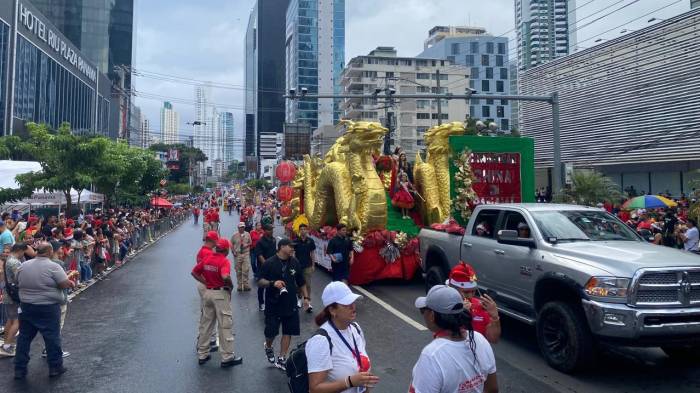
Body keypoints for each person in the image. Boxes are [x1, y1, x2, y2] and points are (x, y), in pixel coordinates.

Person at [410, 285, 498, 393]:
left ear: (432, 315)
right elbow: (492, 389)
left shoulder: (432, 356)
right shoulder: (479, 339)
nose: (423, 314)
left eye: (423, 311)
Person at [14, 242, 76, 379]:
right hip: (48, 307)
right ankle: (55, 367)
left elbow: (17, 281)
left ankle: (19, 369)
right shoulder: (53, 266)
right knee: (52, 337)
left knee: (24, 338)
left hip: (27, 306)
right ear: (49, 252)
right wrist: (70, 282)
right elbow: (63, 283)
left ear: (37, 251)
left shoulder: (23, 266)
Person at [306, 281, 378, 393]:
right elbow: (315, 388)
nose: (353, 307)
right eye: (346, 304)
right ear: (332, 310)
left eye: (353, 301)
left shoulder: (356, 329)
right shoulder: (321, 340)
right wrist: (350, 382)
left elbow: (361, 375)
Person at [191, 238, 243, 368]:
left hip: (208, 293)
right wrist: (230, 286)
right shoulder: (224, 261)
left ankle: (202, 354)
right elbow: (225, 276)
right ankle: (227, 357)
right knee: (225, 325)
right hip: (220, 294)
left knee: (206, 324)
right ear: (226, 250)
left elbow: (194, 272)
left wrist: (205, 282)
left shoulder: (207, 258)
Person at [258, 238, 309, 370]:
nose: (293, 249)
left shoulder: (295, 262)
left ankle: (282, 358)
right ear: (281, 247)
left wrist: (306, 297)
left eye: (293, 247)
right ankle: (268, 346)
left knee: (288, 331)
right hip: (273, 304)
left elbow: (301, 281)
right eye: (290, 246)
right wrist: (272, 283)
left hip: (290, 303)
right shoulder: (269, 263)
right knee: (271, 332)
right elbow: (260, 281)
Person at [446, 262, 501, 344]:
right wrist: (460, 316)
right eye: (466, 292)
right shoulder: (444, 306)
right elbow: (444, 339)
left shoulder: (480, 306)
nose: (470, 296)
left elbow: (493, 339)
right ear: (453, 289)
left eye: (473, 291)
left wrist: (495, 318)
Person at [0, 243, 29, 357]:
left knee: (10, 320)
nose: (23, 255)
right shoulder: (15, 262)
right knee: (17, 321)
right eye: (23, 252)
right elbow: (19, 278)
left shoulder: (8, 259)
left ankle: (7, 343)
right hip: (15, 295)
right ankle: (8, 345)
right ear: (20, 250)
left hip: (8, 294)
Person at [196, 231, 220, 351]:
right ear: (212, 240)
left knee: (206, 313)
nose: (217, 243)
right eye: (216, 240)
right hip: (206, 284)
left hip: (203, 282)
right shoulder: (208, 253)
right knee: (209, 314)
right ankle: (205, 341)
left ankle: (206, 339)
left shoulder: (202, 251)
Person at [293, 223, 316, 313]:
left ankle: (308, 301)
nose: (303, 231)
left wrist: (313, 265)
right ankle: (299, 299)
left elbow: (313, 253)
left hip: (308, 265)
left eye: (304, 229)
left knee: (308, 284)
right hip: (298, 267)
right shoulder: (295, 241)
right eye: (301, 229)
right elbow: (293, 254)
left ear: (307, 230)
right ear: (299, 231)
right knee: (298, 284)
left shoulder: (310, 241)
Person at [254, 224, 277, 311]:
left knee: (272, 284)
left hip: (272, 266)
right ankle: (261, 303)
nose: (272, 231)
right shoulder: (260, 242)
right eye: (270, 229)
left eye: (272, 229)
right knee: (262, 286)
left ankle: (272, 302)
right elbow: (259, 255)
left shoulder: (274, 240)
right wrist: (266, 265)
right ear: (265, 231)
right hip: (263, 267)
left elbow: (275, 253)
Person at [231, 222, 252, 291]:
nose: (242, 228)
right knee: (238, 270)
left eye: (243, 227)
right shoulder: (234, 235)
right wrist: (233, 251)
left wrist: (247, 245)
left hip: (245, 253)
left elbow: (250, 242)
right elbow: (231, 244)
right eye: (240, 227)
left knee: (246, 269)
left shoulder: (247, 234)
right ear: (238, 228)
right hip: (238, 254)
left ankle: (246, 285)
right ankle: (239, 285)